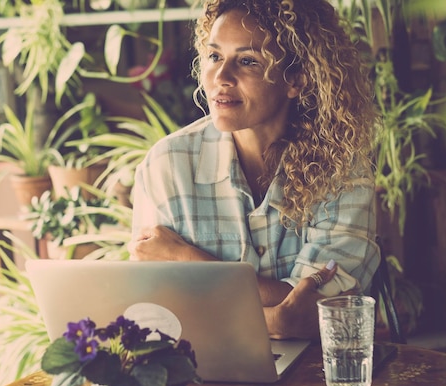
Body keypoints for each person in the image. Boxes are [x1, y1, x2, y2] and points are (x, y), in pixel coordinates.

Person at [129, 0, 380, 340]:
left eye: (247, 61)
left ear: (296, 79)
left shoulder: (342, 167)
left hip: (318, 376)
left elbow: (320, 307)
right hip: (202, 376)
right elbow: (158, 311)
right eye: (215, 56)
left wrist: (185, 258)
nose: (220, 78)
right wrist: (273, 318)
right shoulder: (168, 165)